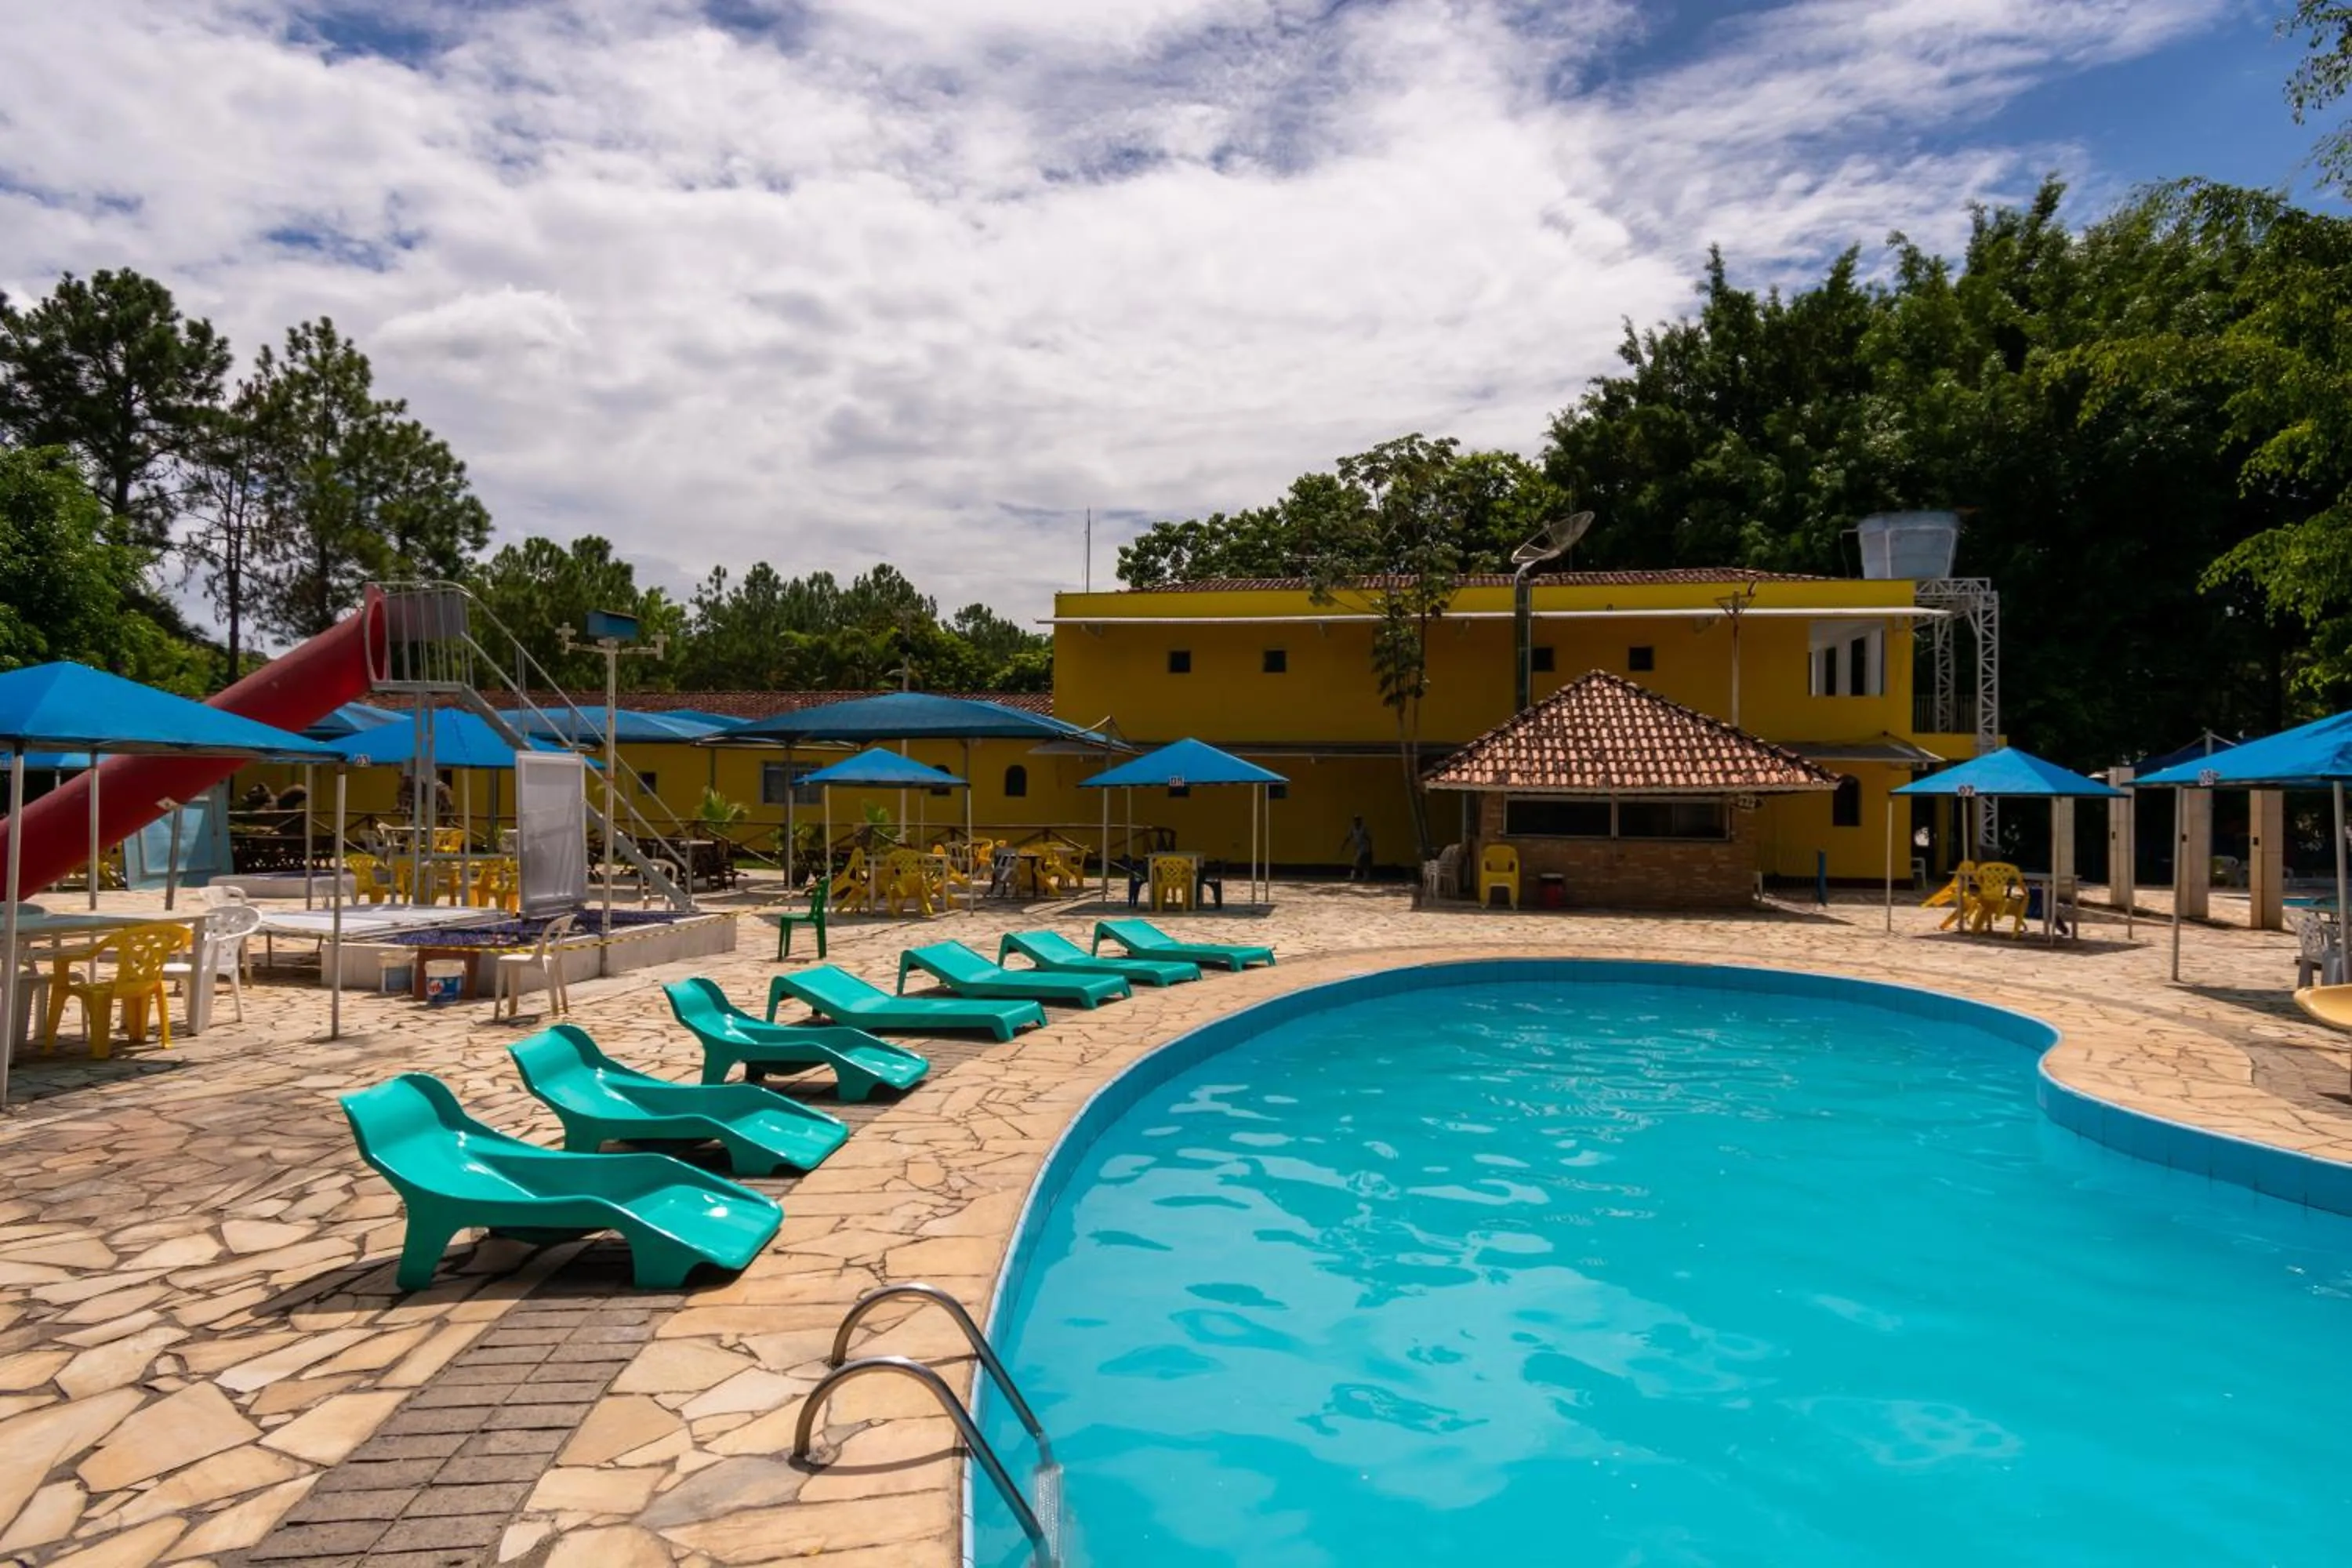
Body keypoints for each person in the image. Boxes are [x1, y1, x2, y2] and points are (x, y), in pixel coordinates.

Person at [1341, 816, 1374, 881]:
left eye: (1358, 820)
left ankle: (1358, 876)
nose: (1357, 821)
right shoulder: (1353, 828)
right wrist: (1344, 845)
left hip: (1364, 847)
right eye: (1356, 820)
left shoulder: (1364, 828)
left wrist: (1370, 848)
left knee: (1359, 861)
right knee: (1359, 862)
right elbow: (1349, 837)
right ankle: (1361, 876)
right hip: (1357, 847)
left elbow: (1369, 839)